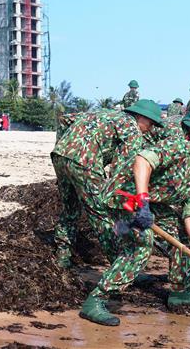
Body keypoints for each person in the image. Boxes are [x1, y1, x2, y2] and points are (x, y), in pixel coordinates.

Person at [80, 127, 190, 326]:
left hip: (152, 204)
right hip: (124, 196)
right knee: (141, 245)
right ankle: (96, 300)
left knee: (181, 233)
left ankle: (180, 292)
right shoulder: (179, 147)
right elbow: (142, 161)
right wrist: (143, 203)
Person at [50, 99, 164, 269]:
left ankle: (63, 256)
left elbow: (65, 120)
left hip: (60, 155)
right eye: (151, 123)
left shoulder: (105, 113)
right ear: (140, 116)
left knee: (70, 208)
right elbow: (124, 168)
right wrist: (129, 201)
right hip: (85, 162)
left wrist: (63, 146)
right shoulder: (132, 128)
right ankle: (118, 266)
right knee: (101, 213)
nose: (151, 128)